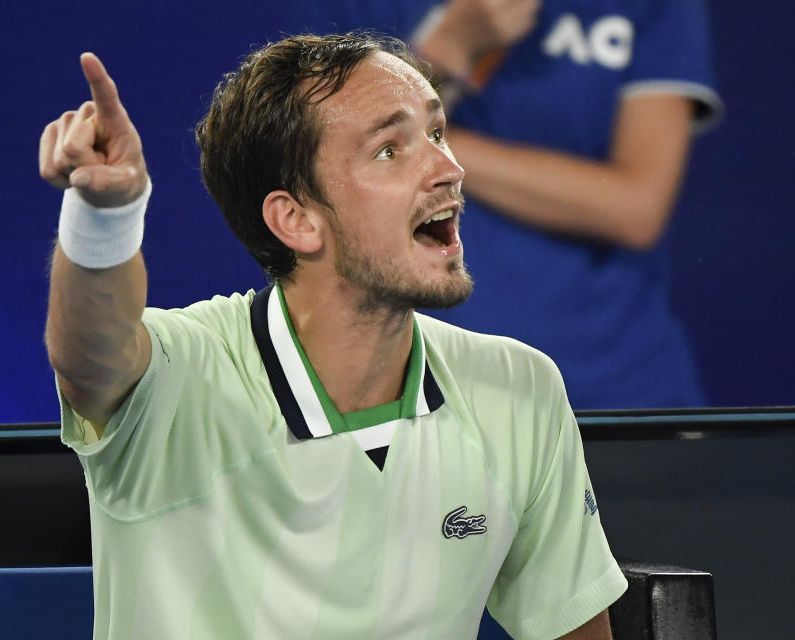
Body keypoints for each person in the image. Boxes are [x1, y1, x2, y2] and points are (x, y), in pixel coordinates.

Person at [41, 33, 626, 639]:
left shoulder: (520, 390)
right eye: (388, 150)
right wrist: (104, 219)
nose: (449, 169)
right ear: (296, 220)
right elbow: (88, 351)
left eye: (437, 133)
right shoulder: (178, 375)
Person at [290, 0, 724, 409]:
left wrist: (413, 150)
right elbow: (321, 160)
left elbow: (637, 207)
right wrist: (449, 48)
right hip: (413, 384)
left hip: (613, 389)